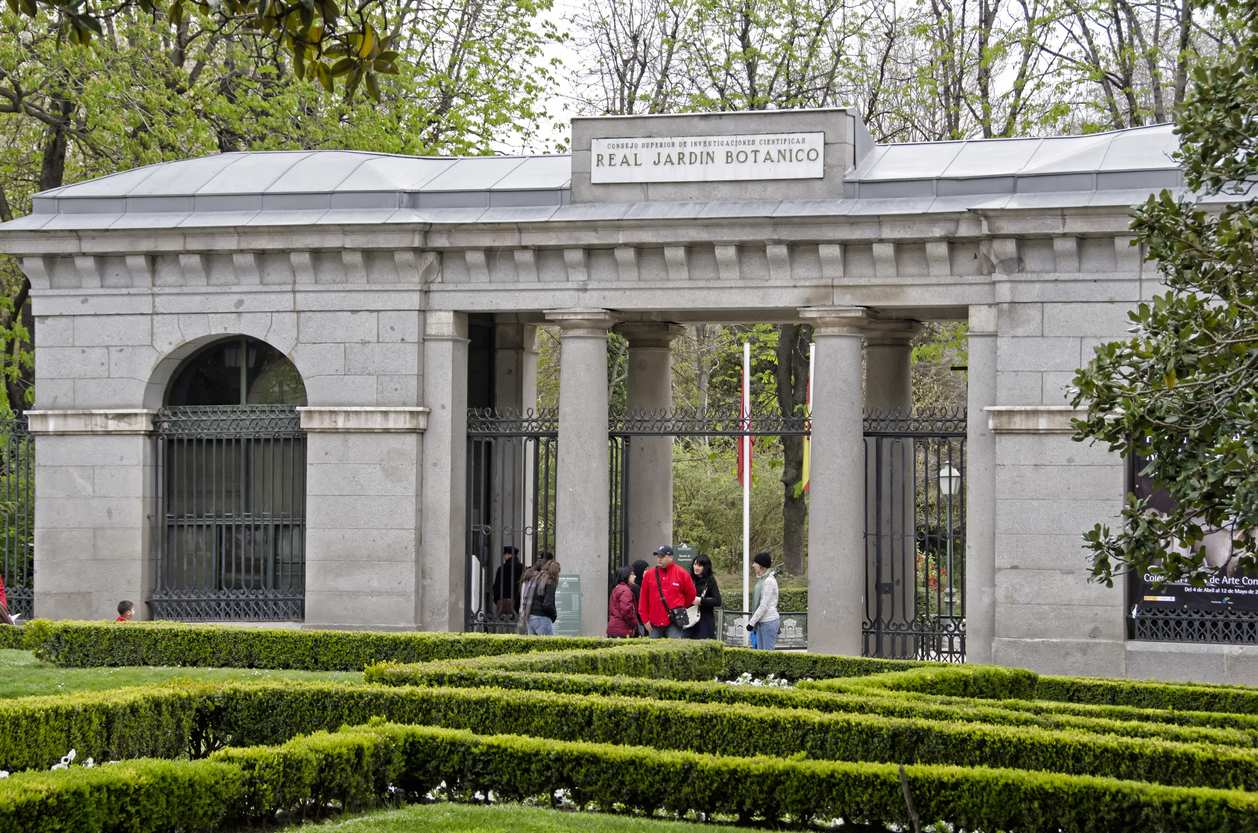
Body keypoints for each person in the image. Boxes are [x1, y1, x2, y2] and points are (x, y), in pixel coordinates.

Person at [637, 544, 696, 639]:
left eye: (662, 556)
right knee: (654, 652)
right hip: (654, 623)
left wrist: (680, 606)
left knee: (674, 651)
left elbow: (691, 595)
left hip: (674, 622)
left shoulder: (682, 573)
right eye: (658, 556)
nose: (659, 559)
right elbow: (643, 599)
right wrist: (645, 620)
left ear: (671, 557)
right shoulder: (649, 575)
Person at [746, 551, 780, 650]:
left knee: (767, 655)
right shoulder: (762, 580)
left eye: (755, 563)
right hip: (762, 622)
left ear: (761, 566)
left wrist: (751, 623)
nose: (753, 565)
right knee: (761, 655)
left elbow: (764, 605)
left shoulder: (768, 581)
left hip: (768, 622)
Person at [687, 554, 722, 640]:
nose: (696, 567)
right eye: (695, 564)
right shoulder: (690, 578)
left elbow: (717, 601)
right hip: (690, 618)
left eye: (700, 565)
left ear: (705, 567)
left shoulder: (710, 580)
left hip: (705, 620)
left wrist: (701, 601)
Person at [523, 560, 561, 636]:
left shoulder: (536, 578)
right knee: (548, 646)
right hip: (542, 618)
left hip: (530, 617)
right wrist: (554, 615)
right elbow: (547, 604)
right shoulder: (550, 581)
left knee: (534, 646)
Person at [491, 545, 524, 617]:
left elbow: (496, 585)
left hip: (502, 600)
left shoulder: (502, 568)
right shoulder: (521, 567)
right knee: (515, 621)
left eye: (505, 554)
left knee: (502, 623)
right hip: (517, 600)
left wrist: (497, 598)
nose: (504, 556)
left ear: (509, 554)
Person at [606, 565, 638, 637]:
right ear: (626, 575)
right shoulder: (626, 591)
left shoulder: (617, 588)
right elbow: (626, 611)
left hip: (614, 628)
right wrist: (634, 623)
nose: (635, 576)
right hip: (623, 630)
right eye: (632, 574)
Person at [630, 559, 650, 636]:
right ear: (639, 570)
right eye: (645, 569)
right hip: (641, 622)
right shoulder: (635, 587)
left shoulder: (645, 583)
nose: (647, 571)